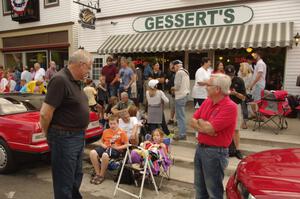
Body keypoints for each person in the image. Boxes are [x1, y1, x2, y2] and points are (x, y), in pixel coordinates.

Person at [39, 49, 93, 199]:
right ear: (81, 65)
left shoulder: (75, 81)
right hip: (64, 137)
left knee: (76, 176)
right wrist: (47, 134)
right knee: (65, 181)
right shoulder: (60, 80)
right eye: (88, 67)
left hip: (76, 136)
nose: (89, 70)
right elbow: (45, 113)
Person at [191, 73, 237, 199]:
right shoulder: (207, 102)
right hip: (201, 148)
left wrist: (202, 125)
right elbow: (192, 121)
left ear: (217, 89)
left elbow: (209, 127)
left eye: (208, 85)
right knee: (199, 189)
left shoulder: (230, 107)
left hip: (215, 153)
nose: (205, 87)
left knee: (214, 192)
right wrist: (204, 126)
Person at [89, 115, 129, 185]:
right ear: (108, 123)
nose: (112, 125)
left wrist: (117, 148)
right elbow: (101, 141)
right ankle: (97, 174)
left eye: (114, 123)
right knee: (92, 152)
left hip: (115, 150)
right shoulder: (106, 131)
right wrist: (102, 145)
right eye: (111, 124)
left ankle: (101, 175)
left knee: (105, 155)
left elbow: (127, 145)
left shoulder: (122, 133)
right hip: (105, 147)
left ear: (118, 123)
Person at [225, 65, 246, 160]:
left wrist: (236, 93)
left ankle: (237, 149)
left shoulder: (239, 81)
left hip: (236, 106)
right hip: (224, 106)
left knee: (236, 129)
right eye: (228, 75)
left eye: (231, 75)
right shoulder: (222, 80)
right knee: (224, 128)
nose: (230, 77)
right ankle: (226, 148)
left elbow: (243, 97)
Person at [172, 60, 190, 140]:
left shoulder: (179, 73)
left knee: (180, 117)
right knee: (182, 116)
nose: (173, 68)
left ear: (176, 66)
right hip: (185, 95)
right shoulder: (186, 71)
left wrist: (172, 88)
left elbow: (177, 86)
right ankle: (182, 133)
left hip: (180, 96)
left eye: (174, 67)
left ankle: (182, 134)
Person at [249, 51, 267, 116]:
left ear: (258, 55)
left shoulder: (260, 63)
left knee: (258, 101)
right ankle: (257, 115)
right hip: (258, 84)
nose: (254, 56)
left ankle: (260, 115)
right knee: (255, 100)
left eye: (255, 54)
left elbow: (259, 74)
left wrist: (252, 84)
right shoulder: (260, 63)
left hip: (258, 84)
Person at [238, 62, 253, 129]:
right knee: (240, 108)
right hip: (239, 93)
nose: (239, 68)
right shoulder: (239, 74)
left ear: (244, 67)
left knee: (244, 108)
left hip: (246, 93)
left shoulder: (249, 75)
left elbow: (246, 86)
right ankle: (241, 121)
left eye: (241, 66)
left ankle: (245, 122)